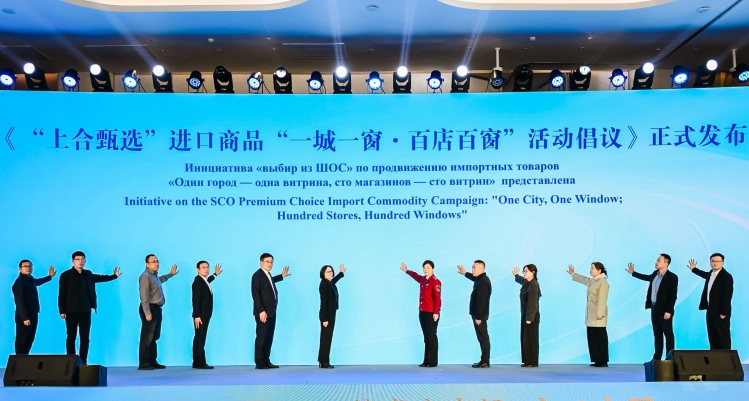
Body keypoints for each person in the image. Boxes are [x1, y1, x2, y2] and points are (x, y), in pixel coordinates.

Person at [58, 250, 121, 364]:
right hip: (71, 311)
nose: (80, 261)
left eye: (82, 259)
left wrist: (114, 276)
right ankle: (71, 361)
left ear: (85, 261)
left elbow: (100, 278)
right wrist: (62, 310)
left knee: (85, 338)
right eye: (77, 259)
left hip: (85, 310)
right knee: (71, 337)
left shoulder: (88, 274)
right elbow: (61, 294)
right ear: (73, 261)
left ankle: (83, 362)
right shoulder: (65, 275)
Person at [626, 253, 678, 360]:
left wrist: (669, 310)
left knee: (668, 334)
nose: (656, 262)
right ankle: (657, 357)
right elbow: (647, 277)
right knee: (657, 334)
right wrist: (633, 273)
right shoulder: (655, 274)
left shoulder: (672, 277)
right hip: (654, 308)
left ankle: (669, 358)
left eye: (659, 260)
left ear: (666, 263)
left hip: (665, 310)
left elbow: (673, 296)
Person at [138, 254, 178, 370]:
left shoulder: (154, 276)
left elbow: (160, 280)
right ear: (147, 264)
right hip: (150, 308)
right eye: (153, 261)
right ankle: (143, 363)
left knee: (154, 336)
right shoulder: (145, 276)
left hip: (157, 309)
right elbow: (144, 296)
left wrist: (170, 274)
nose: (156, 263)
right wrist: (147, 313)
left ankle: (152, 361)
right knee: (147, 337)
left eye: (157, 261)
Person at [251, 252, 291, 369]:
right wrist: (261, 310)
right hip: (263, 312)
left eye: (271, 262)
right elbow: (256, 294)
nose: (270, 264)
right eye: (267, 261)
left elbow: (270, 281)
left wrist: (282, 276)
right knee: (262, 337)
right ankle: (259, 361)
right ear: (261, 262)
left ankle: (266, 360)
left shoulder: (267, 274)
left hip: (271, 311)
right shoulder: (257, 275)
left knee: (269, 337)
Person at [567, 262, 610, 367]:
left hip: (598, 314)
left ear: (599, 270)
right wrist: (573, 274)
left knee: (600, 337)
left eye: (592, 268)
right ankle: (597, 359)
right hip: (591, 314)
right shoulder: (593, 281)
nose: (590, 270)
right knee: (592, 338)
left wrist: (600, 313)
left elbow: (602, 299)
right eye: (590, 268)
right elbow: (584, 279)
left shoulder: (602, 282)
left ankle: (603, 360)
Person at [687, 253, 733, 350]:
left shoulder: (726, 276)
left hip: (721, 312)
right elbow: (703, 274)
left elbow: (727, 295)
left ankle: (726, 356)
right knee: (712, 334)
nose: (715, 263)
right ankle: (714, 355)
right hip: (710, 309)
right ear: (710, 262)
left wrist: (723, 312)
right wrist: (694, 269)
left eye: (718, 261)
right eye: (713, 261)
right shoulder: (711, 274)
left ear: (723, 262)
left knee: (722, 335)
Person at [401, 260, 441, 367]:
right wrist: (406, 271)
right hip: (423, 312)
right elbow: (416, 276)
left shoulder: (435, 282)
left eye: (428, 268)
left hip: (431, 313)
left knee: (431, 337)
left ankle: (432, 361)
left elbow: (437, 299)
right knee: (426, 337)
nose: (425, 269)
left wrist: (436, 312)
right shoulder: (423, 279)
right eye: (424, 268)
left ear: (433, 269)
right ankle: (426, 360)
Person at [13, 259, 56, 355]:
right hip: (25, 316)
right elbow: (19, 302)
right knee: (22, 339)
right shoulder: (20, 282)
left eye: (30, 266)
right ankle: (19, 360)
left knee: (29, 338)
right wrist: (25, 317)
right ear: (20, 269)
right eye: (25, 266)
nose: (28, 268)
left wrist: (49, 277)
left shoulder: (30, 279)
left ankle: (24, 358)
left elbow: (38, 281)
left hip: (33, 313)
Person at [457, 260, 491, 368]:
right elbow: (474, 278)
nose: (472, 269)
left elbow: (482, 301)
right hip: (477, 314)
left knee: (483, 337)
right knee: (481, 337)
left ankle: (485, 361)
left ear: (481, 269)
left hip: (479, 316)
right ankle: (484, 360)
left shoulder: (483, 282)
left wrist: (479, 317)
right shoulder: (480, 279)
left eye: (474, 267)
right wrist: (465, 273)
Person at [192, 261, 223, 369]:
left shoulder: (203, 280)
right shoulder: (197, 282)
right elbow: (195, 300)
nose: (206, 269)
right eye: (203, 267)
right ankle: (200, 362)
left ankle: (197, 362)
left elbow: (207, 281)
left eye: (207, 267)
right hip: (200, 316)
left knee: (200, 337)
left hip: (204, 315)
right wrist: (197, 316)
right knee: (200, 338)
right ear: (198, 270)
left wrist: (215, 274)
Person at [318, 263, 346, 369]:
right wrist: (324, 319)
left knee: (328, 338)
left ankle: (324, 360)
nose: (330, 273)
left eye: (331, 271)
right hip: (326, 316)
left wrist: (341, 273)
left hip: (331, 314)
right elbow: (323, 303)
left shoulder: (329, 283)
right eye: (327, 271)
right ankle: (324, 362)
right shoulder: (323, 285)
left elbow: (334, 281)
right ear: (323, 273)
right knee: (325, 339)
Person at [513, 264, 541, 367]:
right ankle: (527, 361)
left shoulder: (534, 284)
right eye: (523, 271)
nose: (524, 273)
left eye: (526, 271)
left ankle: (533, 361)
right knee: (525, 338)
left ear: (533, 272)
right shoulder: (527, 282)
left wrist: (529, 318)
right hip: (525, 314)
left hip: (531, 316)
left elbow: (532, 303)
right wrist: (516, 275)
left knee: (531, 338)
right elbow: (521, 280)